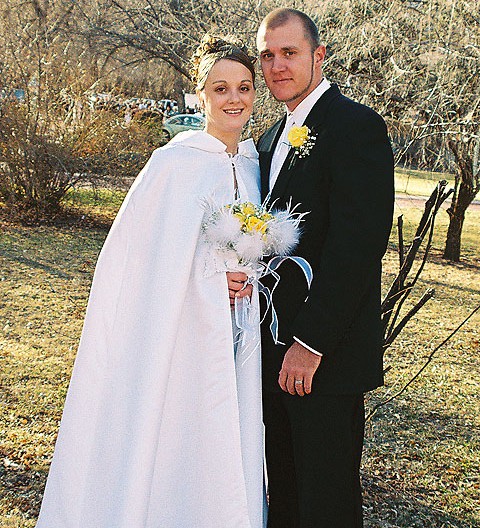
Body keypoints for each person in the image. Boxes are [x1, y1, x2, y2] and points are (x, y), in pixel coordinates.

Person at [35, 36, 266, 528]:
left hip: (240, 333)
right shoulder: (173, 164)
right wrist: (209, 281)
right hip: (179, 336)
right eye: (220, 87)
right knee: (179, 427)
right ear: (199, 95)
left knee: (228, 430)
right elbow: (139, 261)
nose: (234, 99)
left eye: (244, 87)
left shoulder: (254, 165)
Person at [256, 8, 394, 528]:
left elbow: (357, 248)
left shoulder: (356, 127)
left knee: (326, 501)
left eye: (289, 53)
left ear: (319, 55)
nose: (276, 66)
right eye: (267, 55)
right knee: (285, 495)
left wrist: (309, 344)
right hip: (269, 353)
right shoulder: (269, 139)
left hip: (323, 359)